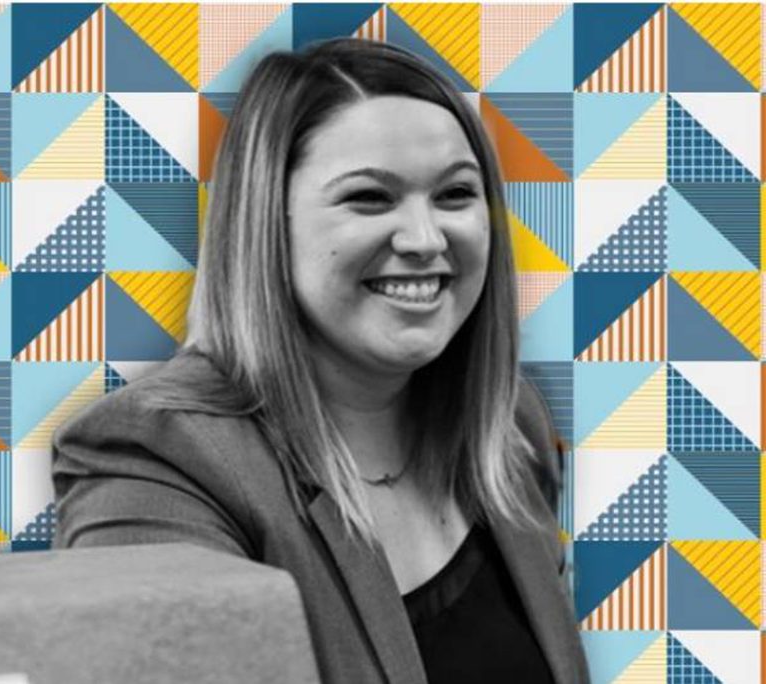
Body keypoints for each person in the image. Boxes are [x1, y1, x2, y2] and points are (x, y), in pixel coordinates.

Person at [53, 38, 589, 684]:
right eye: (369, 198)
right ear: (266, 228)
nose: (424, 238)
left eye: (454, 195)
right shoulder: (155, 459)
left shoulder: (507, 427)